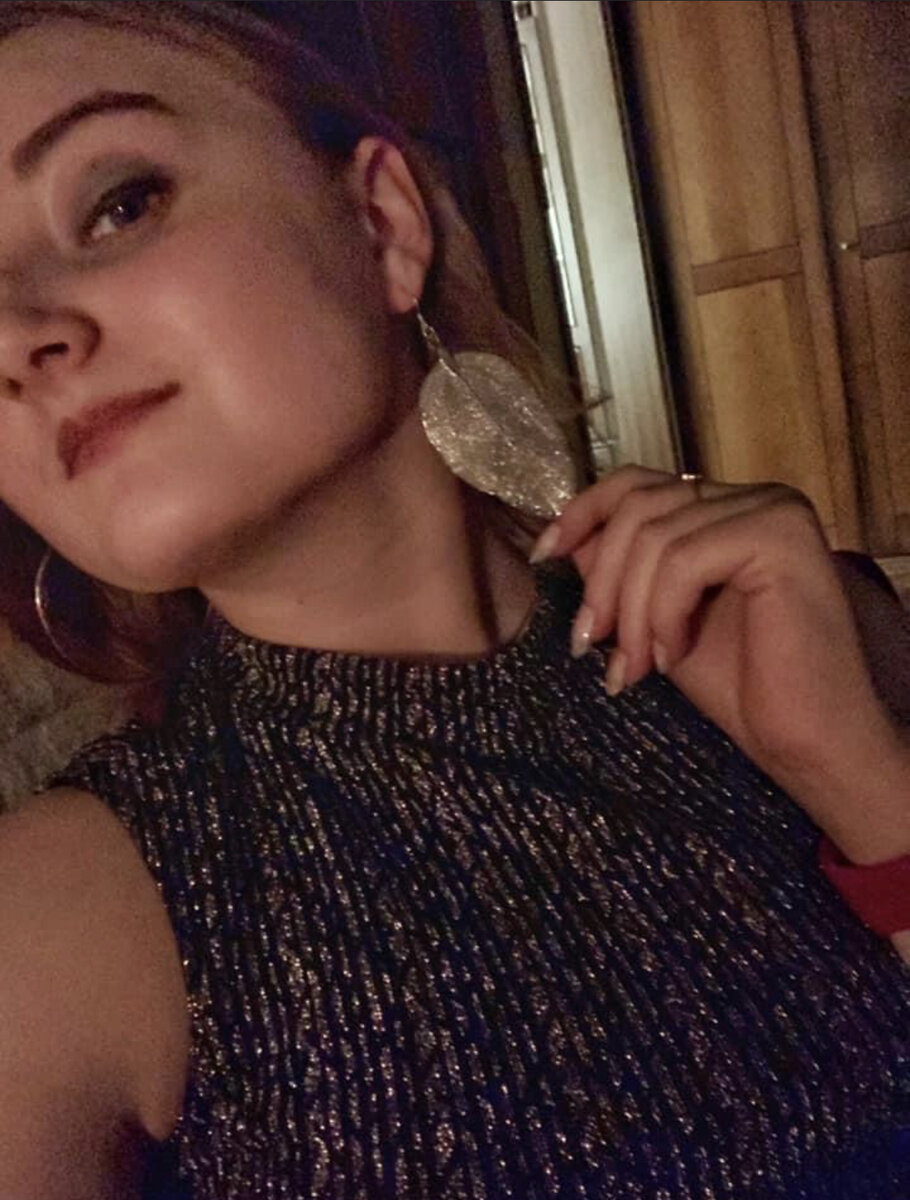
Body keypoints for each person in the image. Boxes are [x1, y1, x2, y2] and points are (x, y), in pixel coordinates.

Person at [0, 3, 908, 1198]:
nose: (18, 338)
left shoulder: (814, 636)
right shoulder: (58, 926)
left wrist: (859, 781)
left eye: (121, 203)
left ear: (381, 221)